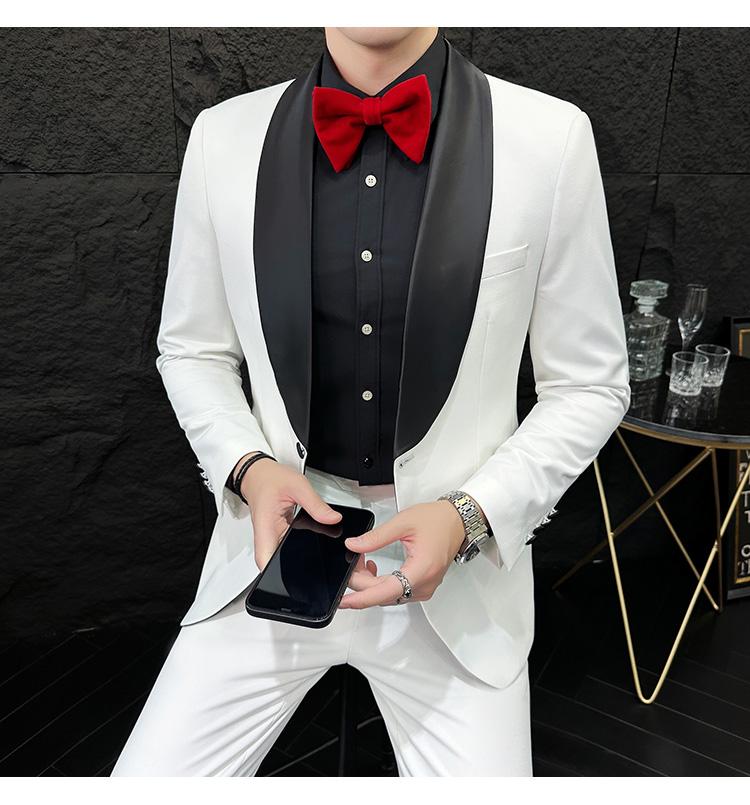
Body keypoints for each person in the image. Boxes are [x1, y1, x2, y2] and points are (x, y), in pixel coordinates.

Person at [112, 26, 630, 776]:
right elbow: (192, 349)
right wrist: (249, 469)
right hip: (272, 554)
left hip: (459, 581)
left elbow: (589, 382)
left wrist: (469, 516)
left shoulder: (551, 137)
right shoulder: (223, 138)